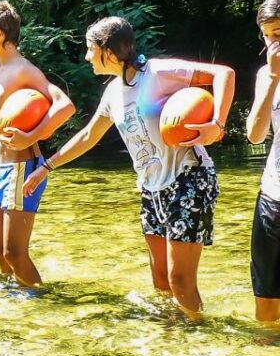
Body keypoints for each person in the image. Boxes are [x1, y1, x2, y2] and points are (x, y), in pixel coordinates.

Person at [22, 16, 233, 317]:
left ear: (108, 50)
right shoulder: (113, 92)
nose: (85, 57)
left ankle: (197, 338)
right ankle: (172, 332)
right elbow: (88, 136)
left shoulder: (158, 72)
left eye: (89, 49)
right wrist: (47, 166)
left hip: (190, 177)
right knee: (160, 280)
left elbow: (224, 74)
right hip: (151, 188)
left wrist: (217, 125)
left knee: (180, 279)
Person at [0, 1, 76, 286]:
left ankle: (39, 303)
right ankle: (12, 303)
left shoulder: (24, 70)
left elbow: (64, 107)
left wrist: (33, 135)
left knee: (14, 253)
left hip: (22, 166)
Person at [246, 0, 280, 323]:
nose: (272, 45)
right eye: (267, 36)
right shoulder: (265, 76)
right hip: (272, 197)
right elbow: (255, 136)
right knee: (266, 308)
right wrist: (272, 78)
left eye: (279, 35)